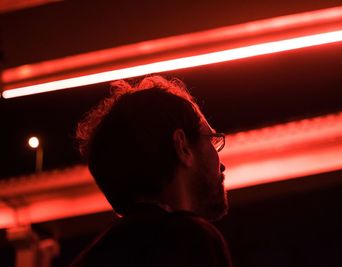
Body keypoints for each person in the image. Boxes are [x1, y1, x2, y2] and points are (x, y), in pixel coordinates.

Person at [70, 75, 232, 266]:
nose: (221, 165)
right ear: (183, 147)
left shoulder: (91, 258)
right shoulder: (189, 239)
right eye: (211, 139)